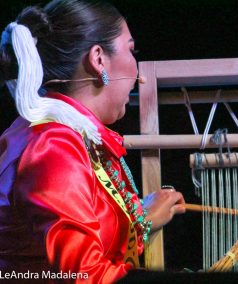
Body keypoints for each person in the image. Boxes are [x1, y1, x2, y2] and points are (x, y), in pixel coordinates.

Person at [0, 0, 185, 282]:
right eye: (131, 50)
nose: (140, 76)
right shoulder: (52, 146)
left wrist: (140, 222)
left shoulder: (62, 135)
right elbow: (86, 276)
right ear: (99, 60)